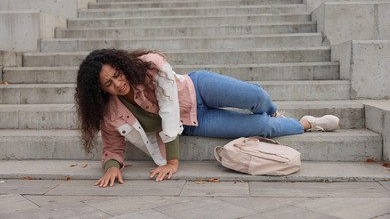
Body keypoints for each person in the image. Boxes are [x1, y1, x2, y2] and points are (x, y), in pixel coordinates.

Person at [75, 48, 340, 187]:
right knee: (261, 127)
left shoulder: (150, 66)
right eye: (108, 84)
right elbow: (112, 147)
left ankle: (272, 109)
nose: (117, 84)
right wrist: (112, 166)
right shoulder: (111, 112)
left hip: (197, 88)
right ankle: (307, 123)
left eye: (117, 75)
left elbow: (168, 106)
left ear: (122, 66)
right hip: (193, 123)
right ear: (100, 90)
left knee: (256, 97)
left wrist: (173, 160)